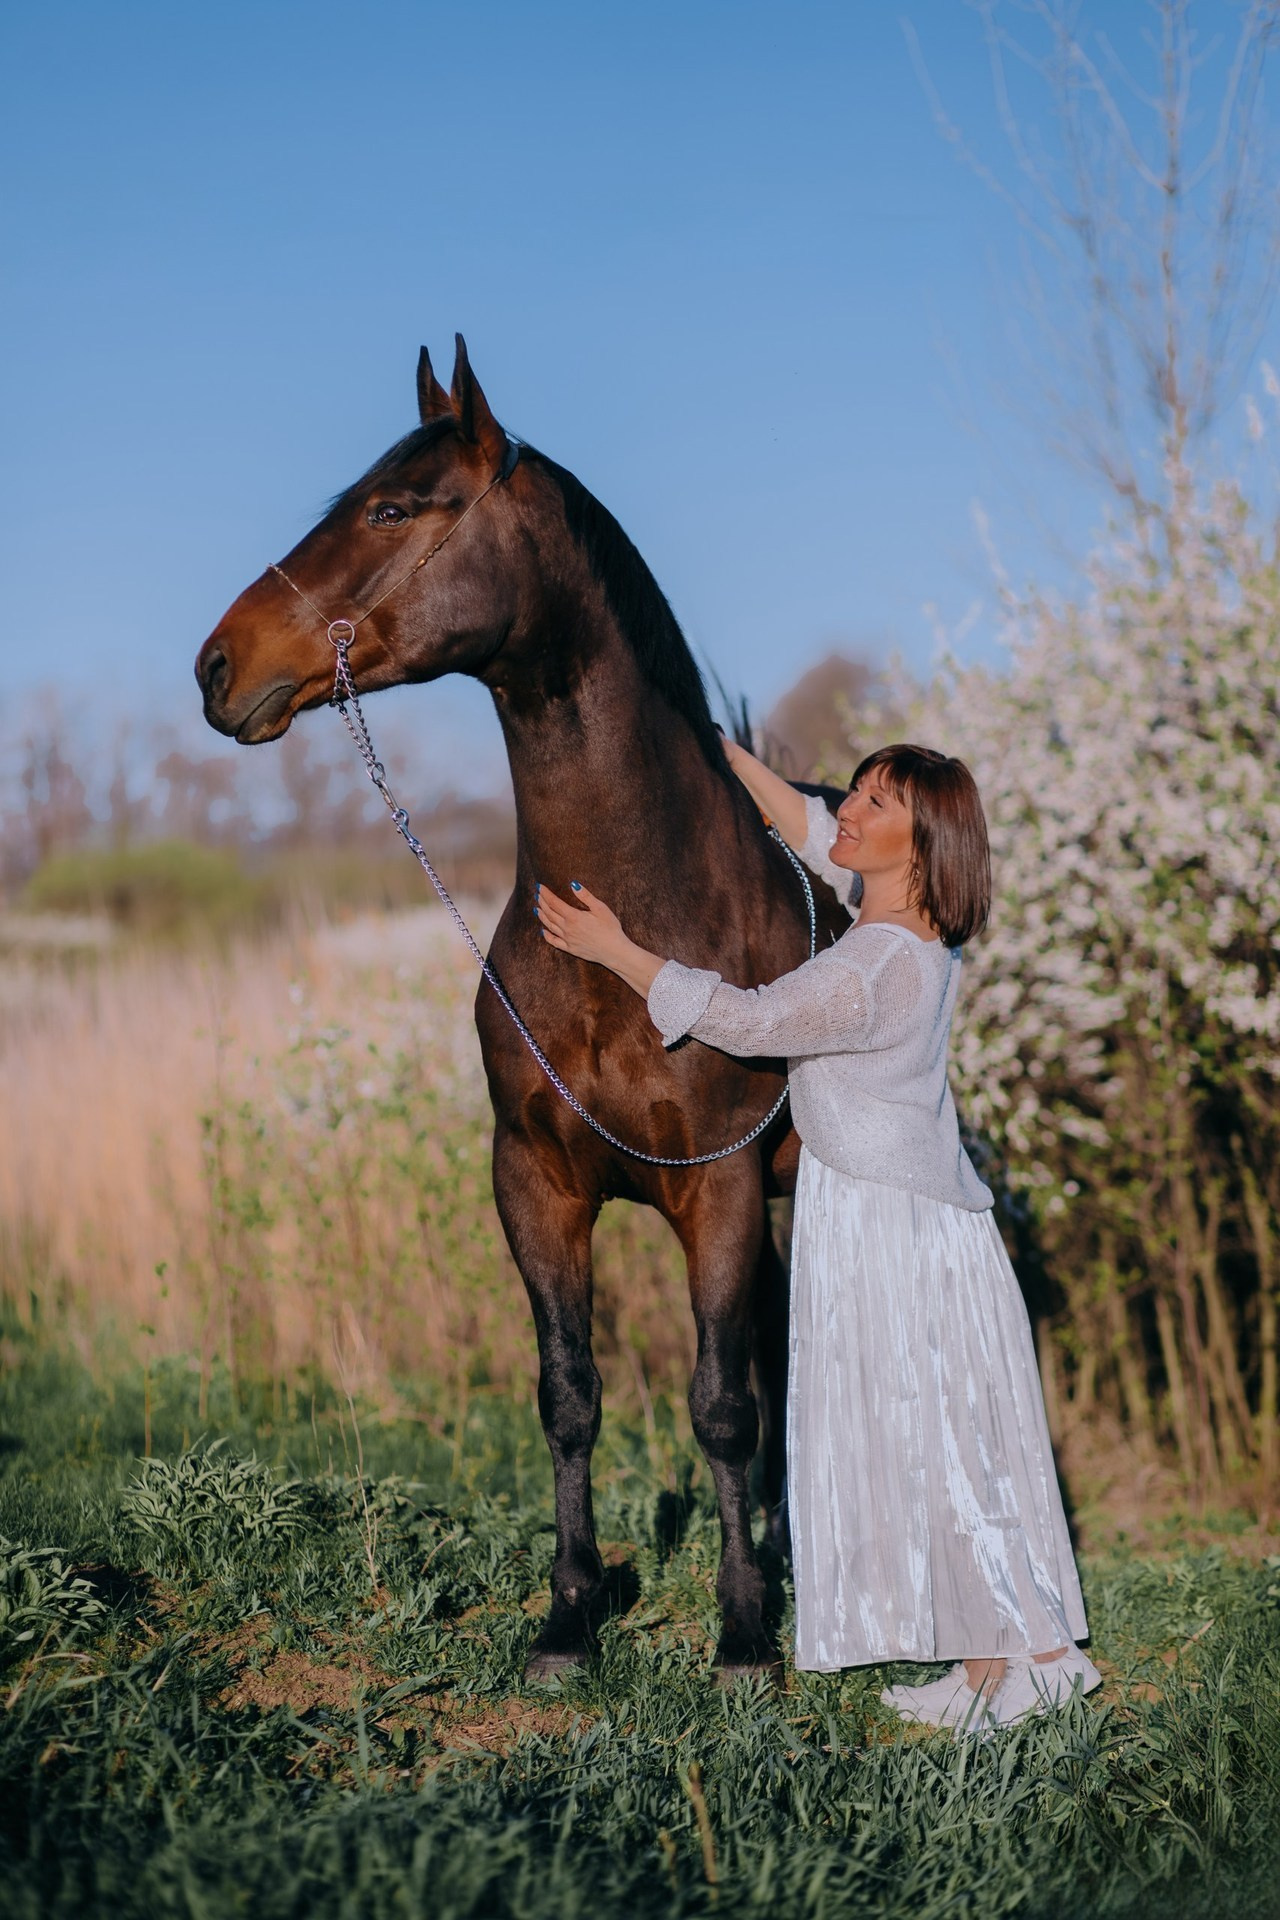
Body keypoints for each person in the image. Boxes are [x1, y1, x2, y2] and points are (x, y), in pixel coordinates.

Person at [534, 738, 1100, 1733]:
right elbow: (805, 823)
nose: (844, 808)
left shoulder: (877, 962)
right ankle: (983, 1663)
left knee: (940, 1443)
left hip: (894, 1231)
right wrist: (716, 747)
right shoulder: (901, 921)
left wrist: (613, 951)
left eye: (872, 804)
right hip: (887, 1213)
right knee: (930, 1440)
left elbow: (748, 1021)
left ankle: (1041, 1660)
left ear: (916, 845)